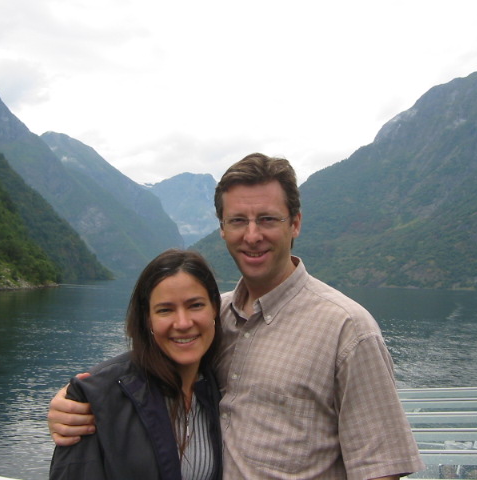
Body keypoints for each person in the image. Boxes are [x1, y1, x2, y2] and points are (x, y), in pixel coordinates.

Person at [48, 153, 425, 479]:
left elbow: (380, 468)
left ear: (294, 223)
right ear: (223, 230)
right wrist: (75, 398)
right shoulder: (214, 317)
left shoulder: (348, 328)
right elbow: (140, 367)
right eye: (238, 221)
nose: (252, 234)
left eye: (268, 219)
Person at [49, 249, 223, 480]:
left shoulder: (216, 387)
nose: (182, 323)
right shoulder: (99, 397)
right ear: (147, 319)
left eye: (195, 305)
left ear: (215, 308)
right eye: (165, 310)